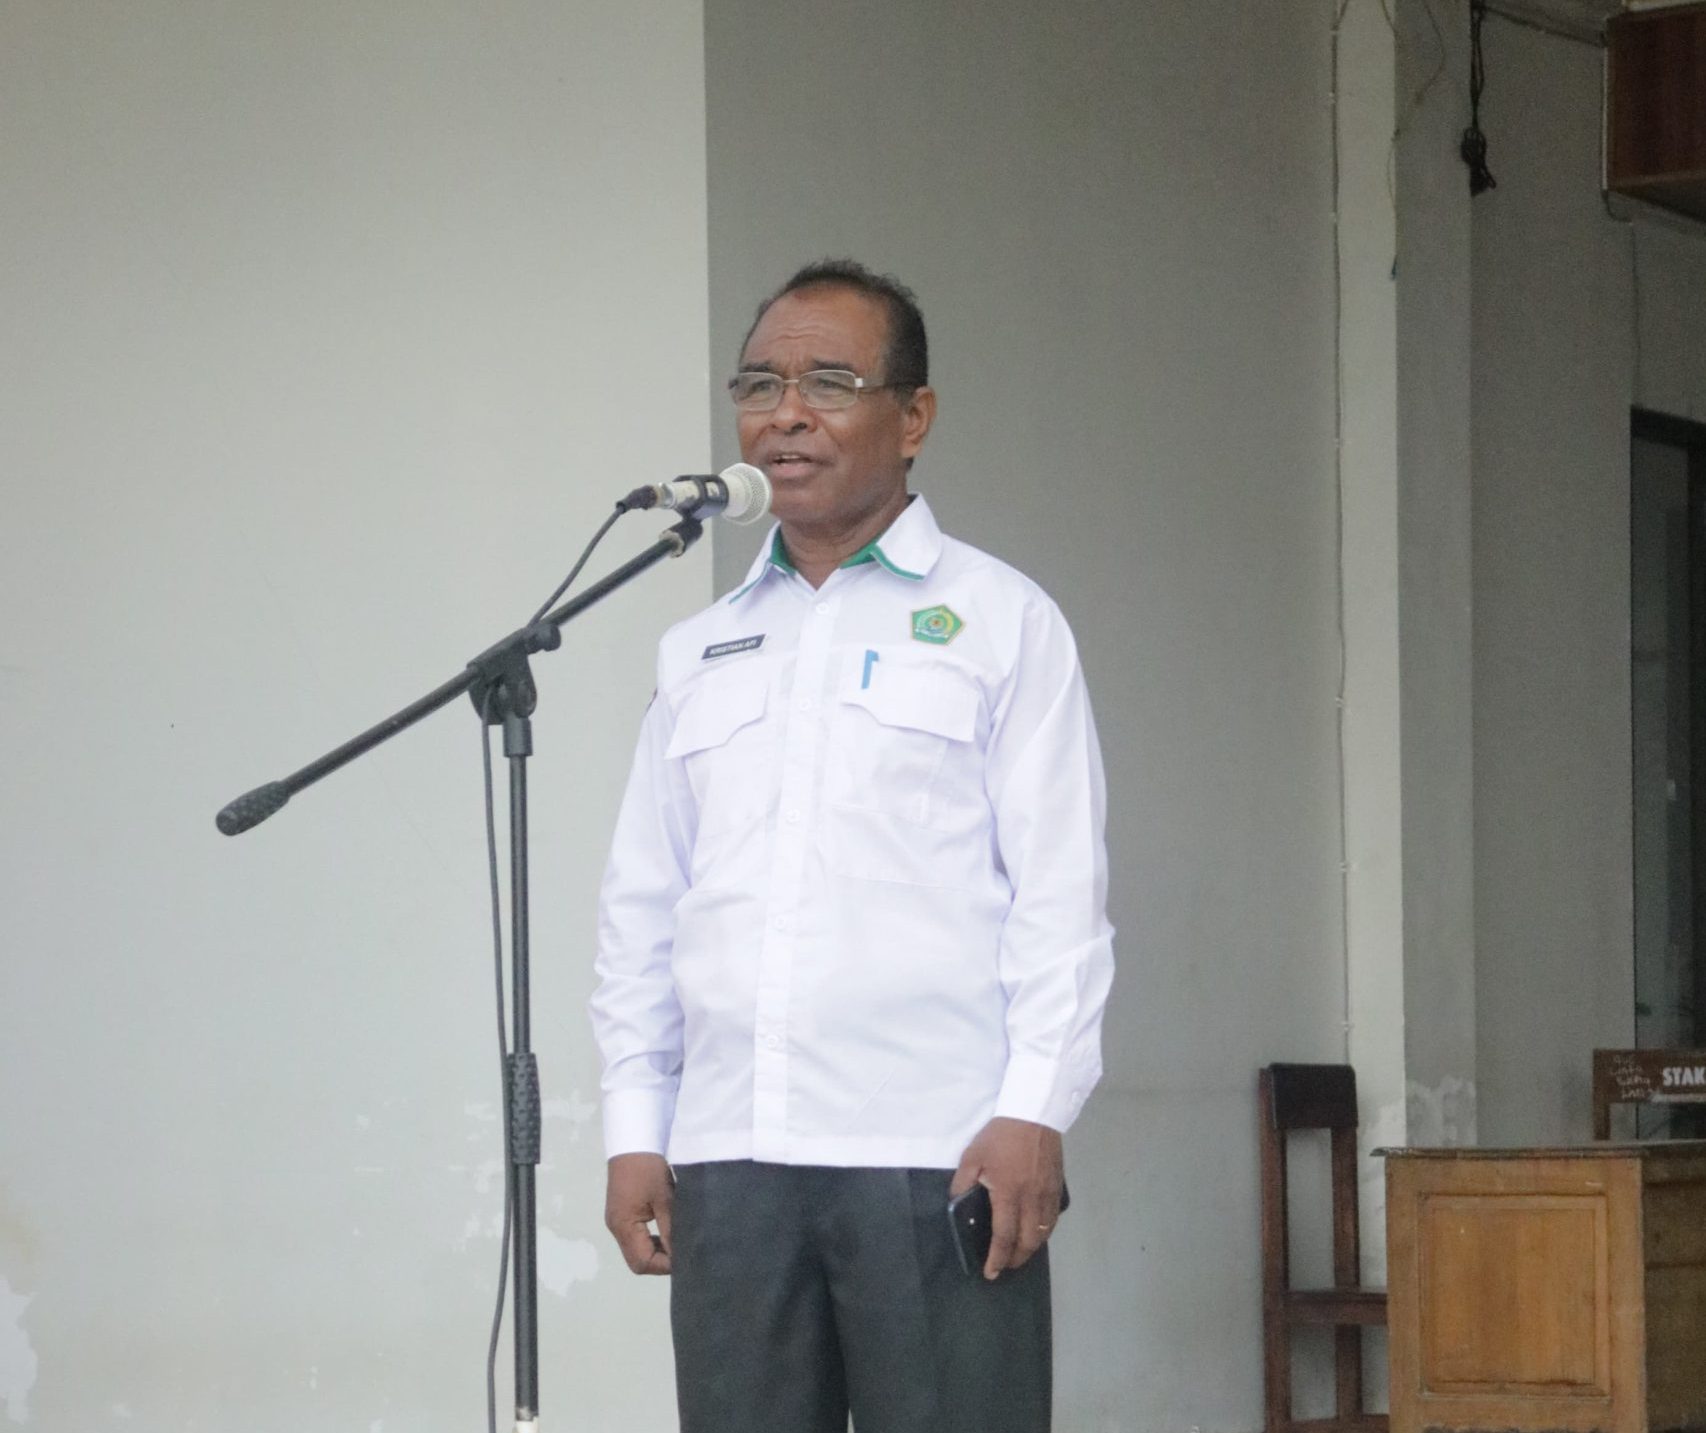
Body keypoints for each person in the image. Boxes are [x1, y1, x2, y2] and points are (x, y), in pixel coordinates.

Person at [590, 258, 1114, 1433]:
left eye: (828, 383)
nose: (784, 414)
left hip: (933, 1146)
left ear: (912, 417)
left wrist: (1034, 1107)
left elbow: (1060, 893)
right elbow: (643, 904)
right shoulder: (700, 648)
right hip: (729, 1151)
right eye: (758, 385)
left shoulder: (1001, 620)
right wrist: (635, 1124)